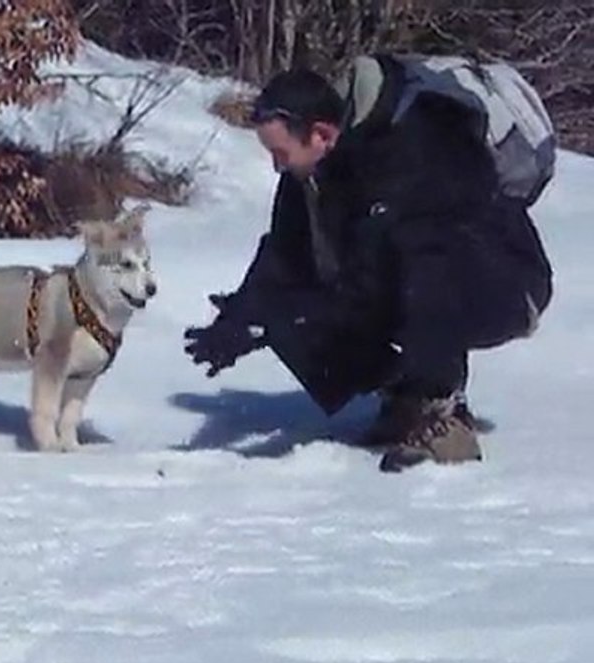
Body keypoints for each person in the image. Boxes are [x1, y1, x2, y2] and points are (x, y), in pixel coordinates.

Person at [183, 54, 554, 472]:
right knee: (299, 304)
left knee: (418, 255)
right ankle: (404, 397)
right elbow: (285, 255)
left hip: (502, 281)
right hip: (413, 275)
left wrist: (279, 319)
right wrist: (239, 318)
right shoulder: (313, 171)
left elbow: (371, 282)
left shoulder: (414, 144)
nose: (276, 165)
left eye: (280, 153)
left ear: (321, 134)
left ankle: (442, 413)